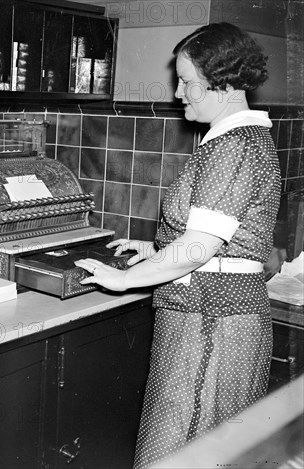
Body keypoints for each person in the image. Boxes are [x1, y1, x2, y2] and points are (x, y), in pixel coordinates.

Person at [75, 22, 280, 469]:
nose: (179, 93)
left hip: (211, 321)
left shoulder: (231, 145)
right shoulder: (239, 139)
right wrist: (158, 250)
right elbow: (221, 240)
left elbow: (200, 249)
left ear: (221, 83)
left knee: (182, 449)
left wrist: (124, 278)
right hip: (213, 311)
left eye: (187, 83)